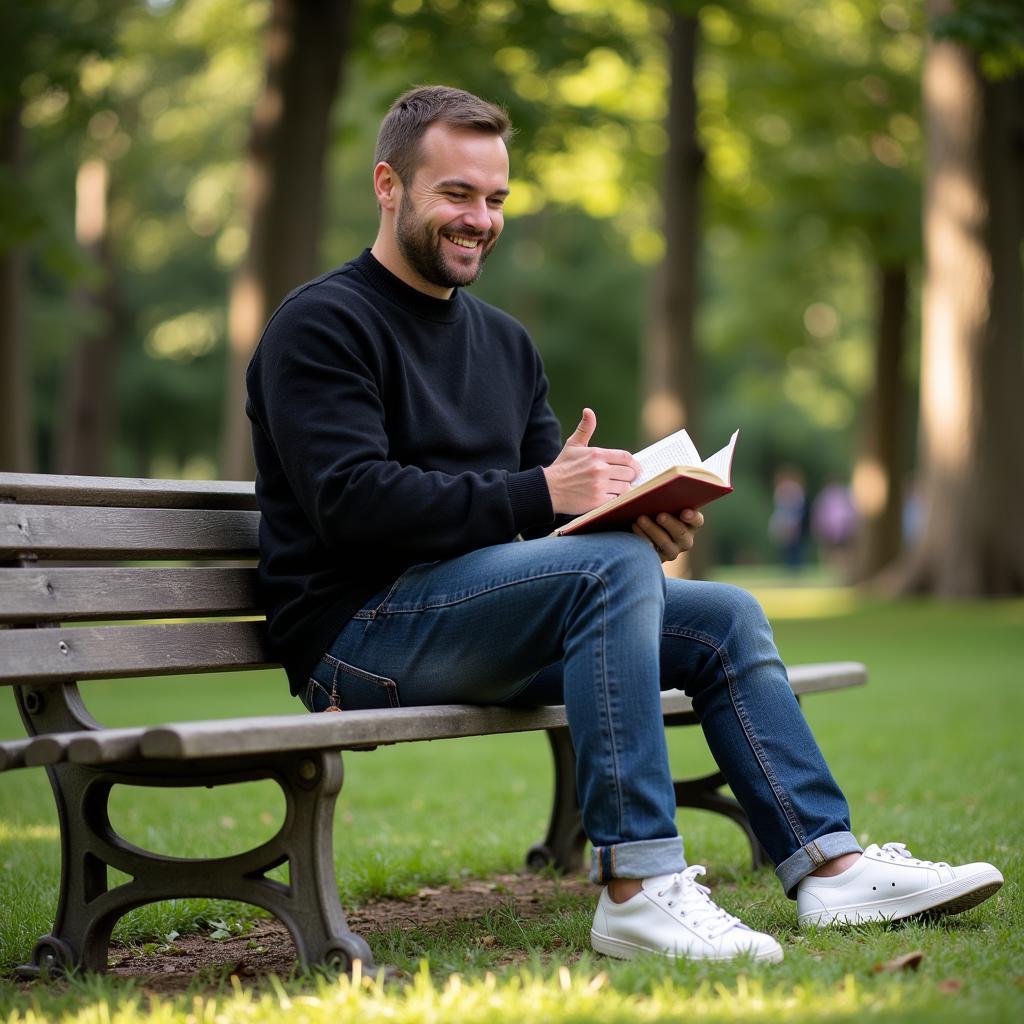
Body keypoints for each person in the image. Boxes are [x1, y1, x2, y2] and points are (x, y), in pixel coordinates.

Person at [245, 86, 1002, 963]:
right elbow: (353, 507)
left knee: (723, 616)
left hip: (466, 612)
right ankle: (638, 890)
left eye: (496, 199)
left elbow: (556, 529)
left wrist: (638, 523)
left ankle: (830, 868)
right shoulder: (321, 324)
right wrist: (551, 501)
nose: (480, 219)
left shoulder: (504, 344)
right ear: (388, 184)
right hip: (357, 632)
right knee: (609, 572)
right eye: (456, 194)